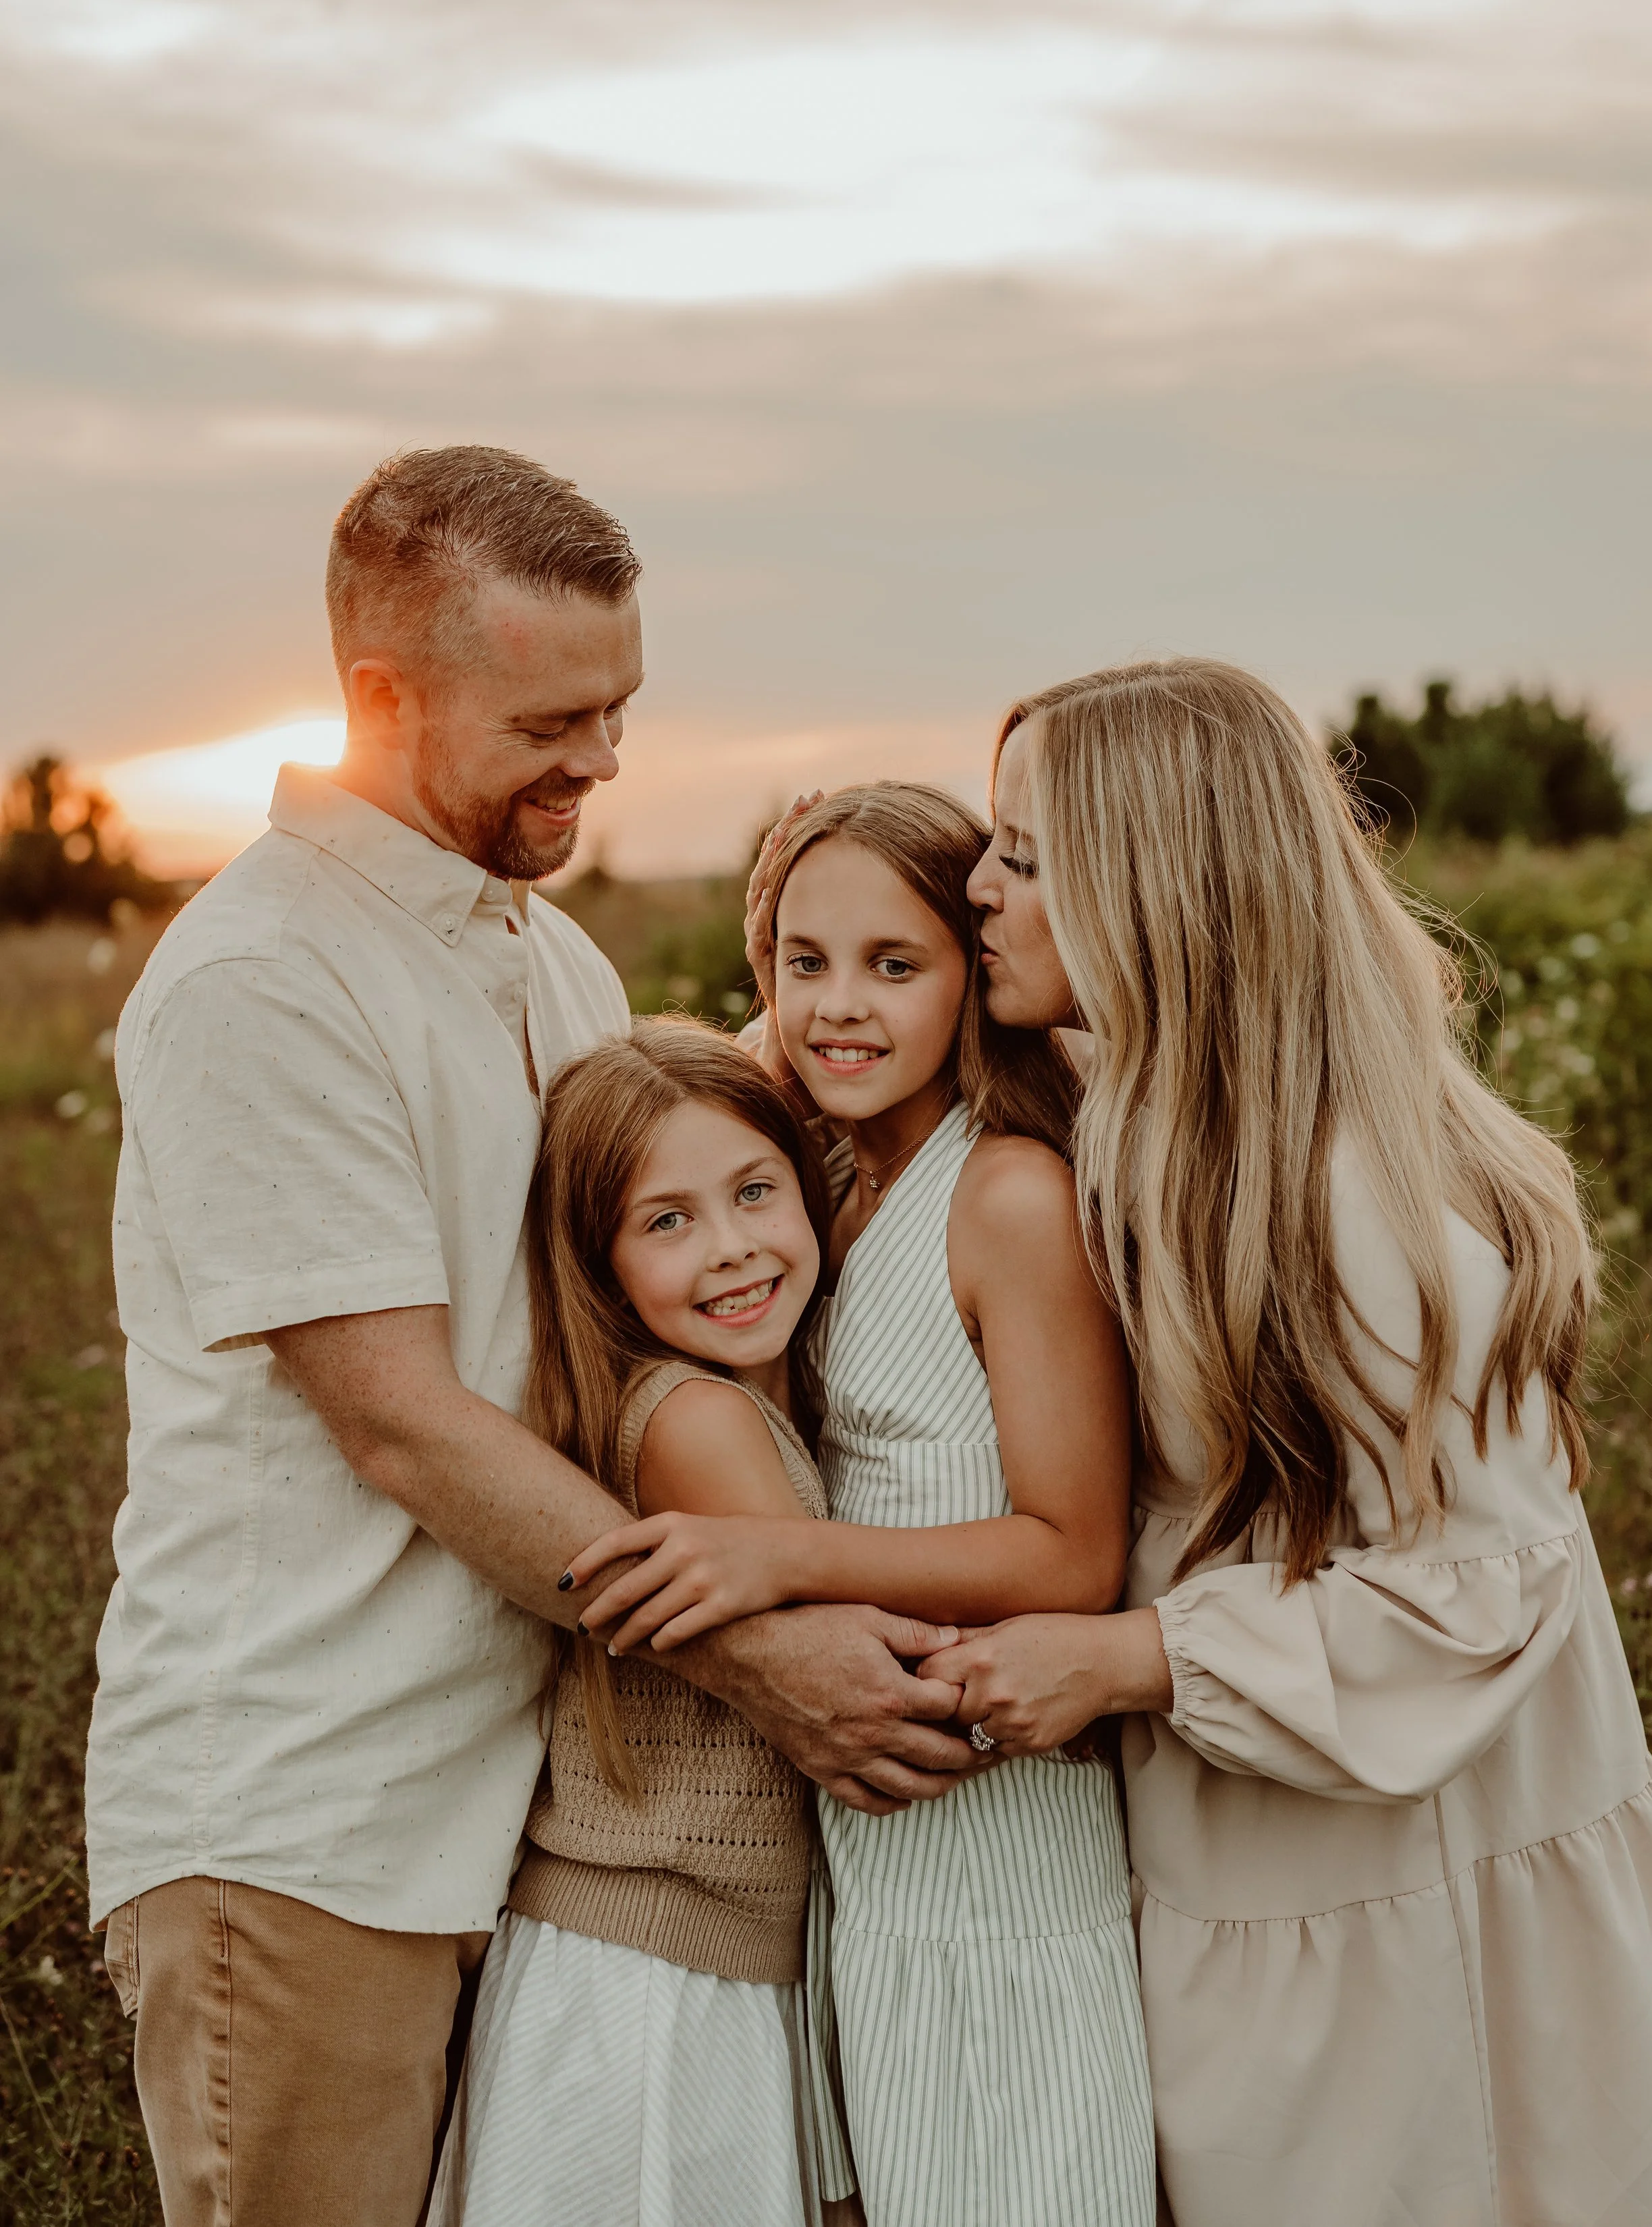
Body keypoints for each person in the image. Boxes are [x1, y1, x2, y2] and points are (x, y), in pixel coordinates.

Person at [86, 447, 972, 2227]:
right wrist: (765, 1657)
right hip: (309, 1816)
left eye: (622, 706)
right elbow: (401, 1421)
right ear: (380, 696)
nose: (603, 758)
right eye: (552, 717)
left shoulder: (550, 966)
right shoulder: (269, 977)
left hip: (532, 1819)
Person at [909, 657, 1652, 2227]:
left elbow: (1484, 1591)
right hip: (1259, 1864)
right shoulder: (1137, 1112)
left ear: (1158, 888)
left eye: (1026, 852)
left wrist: (1126, 1656)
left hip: (1422, 1918)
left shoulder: (1339, 1201)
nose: (974, 887)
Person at [581, 785, 1157, 2227]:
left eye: (895, 964)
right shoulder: (830, 1190)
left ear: (972, 974)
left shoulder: (1006, 1190)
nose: (841, 1004)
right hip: (877, 1859)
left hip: (1000, 1847)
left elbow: (1073, 1551)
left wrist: (771, 1554)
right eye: (803, 960)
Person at [431, 1018, 850, 2227]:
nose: (732, 1250)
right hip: (652, 1980)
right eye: (666, 1222)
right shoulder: (691, 1424)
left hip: (687, 1957)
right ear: (603, 1267)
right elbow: (842, 1657)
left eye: (755, 1191)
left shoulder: (742, 1404)